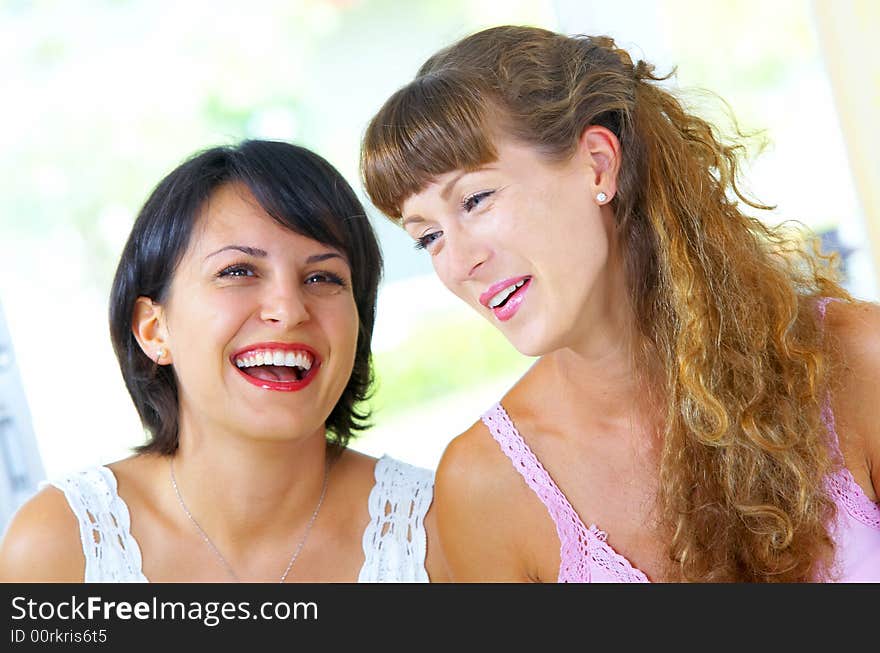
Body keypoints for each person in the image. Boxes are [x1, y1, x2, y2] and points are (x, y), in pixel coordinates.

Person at [360, 25, 880, 582]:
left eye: (476, 199)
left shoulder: (855, 361)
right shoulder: (486, 487)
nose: (458, 263)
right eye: (428, 237)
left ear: (597, 164)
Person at [0, 140, 442, 582]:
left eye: (323, 277)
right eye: (239, 271)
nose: (288, 310)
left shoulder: (441, 530)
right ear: (154, 330)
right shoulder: (58, 548)